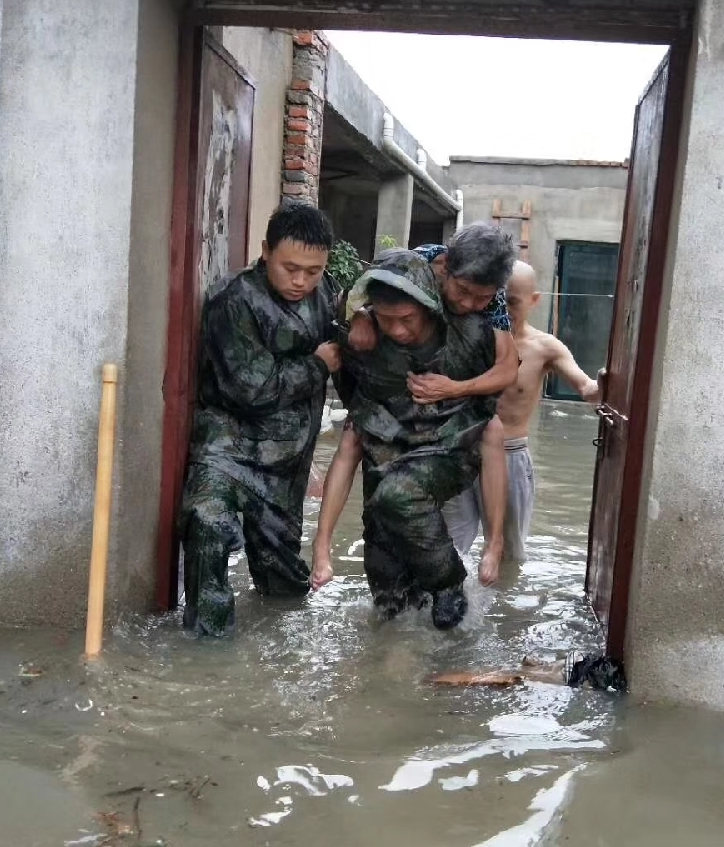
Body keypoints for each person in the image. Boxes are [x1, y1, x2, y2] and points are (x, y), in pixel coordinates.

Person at [311, 224, 518, 587]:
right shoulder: (415, 263)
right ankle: (322, 547)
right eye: (463, 291)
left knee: (493, 428)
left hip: (452, 391)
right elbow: (357, 290)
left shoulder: (491, 304)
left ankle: (494, 543)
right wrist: (360, 316)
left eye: (481, 298)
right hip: (392, 393)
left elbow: (507, 368)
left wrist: (455, 388)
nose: (469, 304)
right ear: (445, 265)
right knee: (355, 438)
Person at [177, 201, 341, 636]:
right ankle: (207, 650)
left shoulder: (326, 296)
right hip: (228, 449)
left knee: (283, 584)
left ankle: (280, 654)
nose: (301, 280)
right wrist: (319, 364)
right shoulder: (233, 301)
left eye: (314, 270)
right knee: (207, 522)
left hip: (286, 461)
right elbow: (252, 388)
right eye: (291, 268)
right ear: (266, 251)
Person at [445, 261, 605, 565]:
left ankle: (506, 597)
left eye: (512, 302)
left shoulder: (545, 348)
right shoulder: (468, 337)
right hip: (460, 451)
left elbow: (586, 388)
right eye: (497, 299)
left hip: (510, 455)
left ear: (534, 300)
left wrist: (605, 385)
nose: (502, 309)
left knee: (509, 553)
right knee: (450, 545)